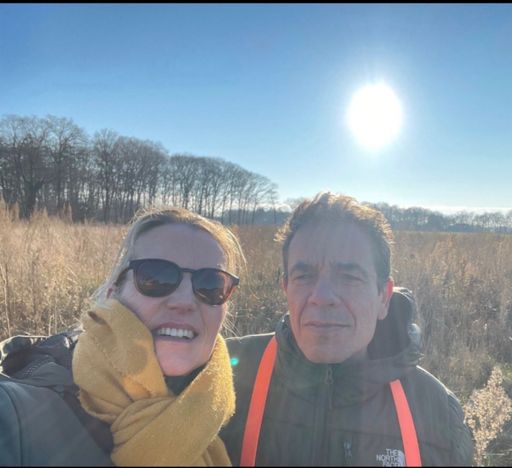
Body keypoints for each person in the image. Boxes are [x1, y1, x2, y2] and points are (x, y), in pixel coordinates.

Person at [220, 192, 474, 466]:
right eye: (304, 276)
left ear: (384, 297)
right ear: (286, 288)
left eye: (349, 277)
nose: (322, 297)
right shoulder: (223, 376)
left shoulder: (436, 413)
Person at [0, 206, 245, 466]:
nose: (185, 301)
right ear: (112, 294)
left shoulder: (243, 411)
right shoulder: (16, 414)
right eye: (155, 276)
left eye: (211, 285)